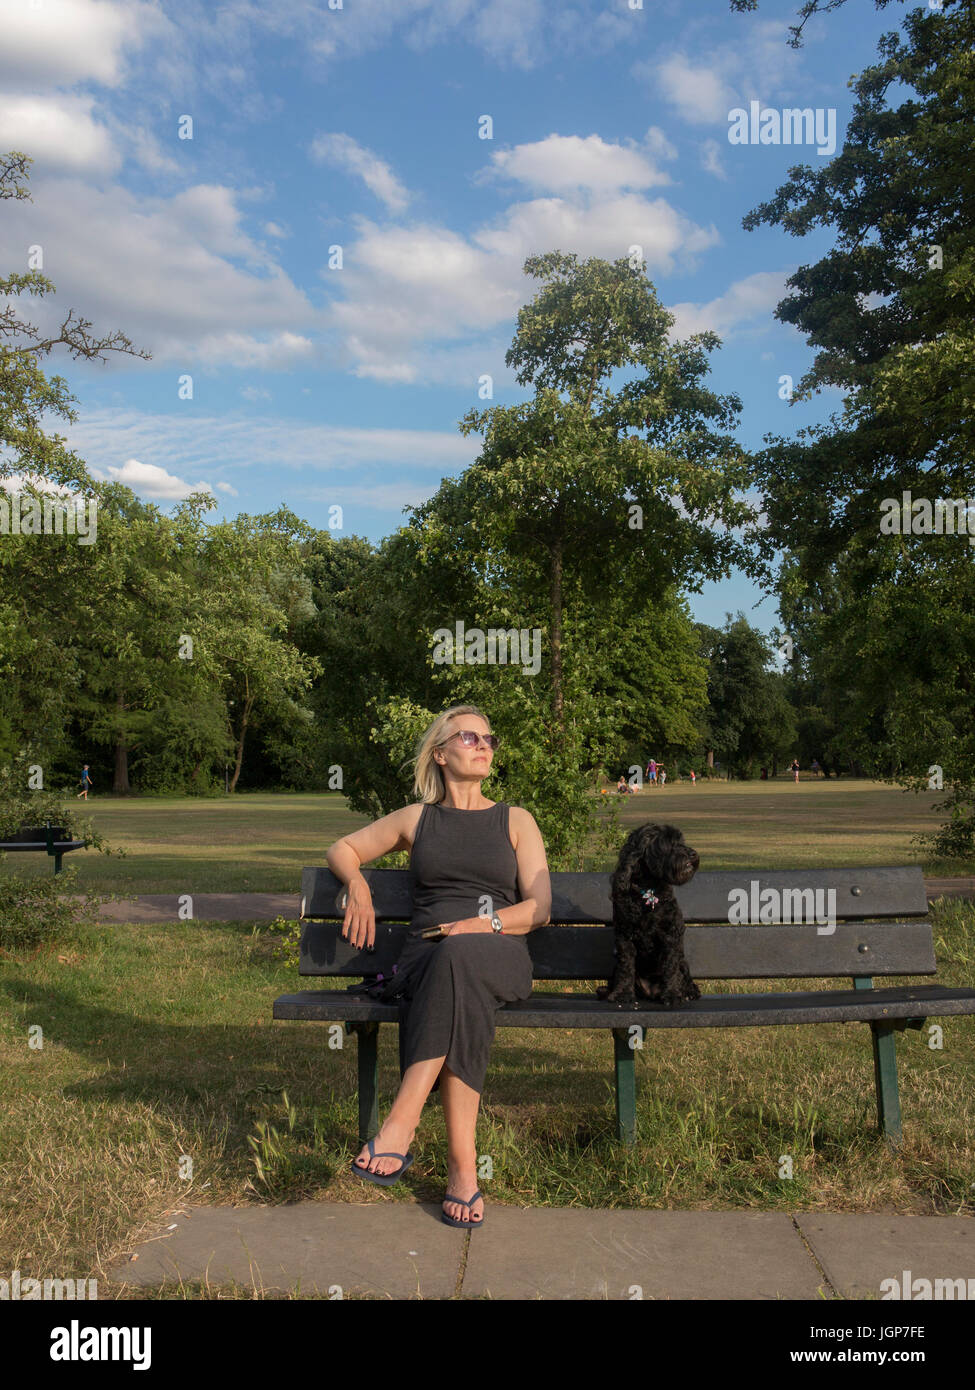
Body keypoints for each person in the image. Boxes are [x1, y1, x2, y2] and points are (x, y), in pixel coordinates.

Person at [326, 704, 551, 1229]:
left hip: (499, 951)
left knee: (463, 955)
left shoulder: (515, 819)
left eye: (489, 739)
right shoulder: (417, 818)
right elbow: (343, 847)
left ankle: (401, 1121)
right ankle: (462, 1170)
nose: (484, 745)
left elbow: (539, 908)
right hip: (428, 960)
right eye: (470, 737)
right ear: (440, 753)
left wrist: (479, 926)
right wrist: (357, 883)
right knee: (455, 975)